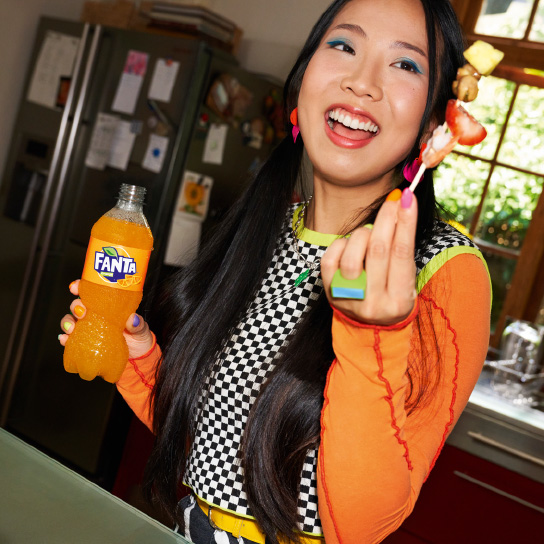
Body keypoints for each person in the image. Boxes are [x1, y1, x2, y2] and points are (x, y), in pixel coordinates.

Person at [59, 0, 491, 542]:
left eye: (406, 64)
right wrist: (135, 357)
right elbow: (219, 454)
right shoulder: (266, 230)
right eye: (343, 46)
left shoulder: (442, 270)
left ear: (435, 121)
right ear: (303, 79)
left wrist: (370, 335)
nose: (363, 82)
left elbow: (356, 527)